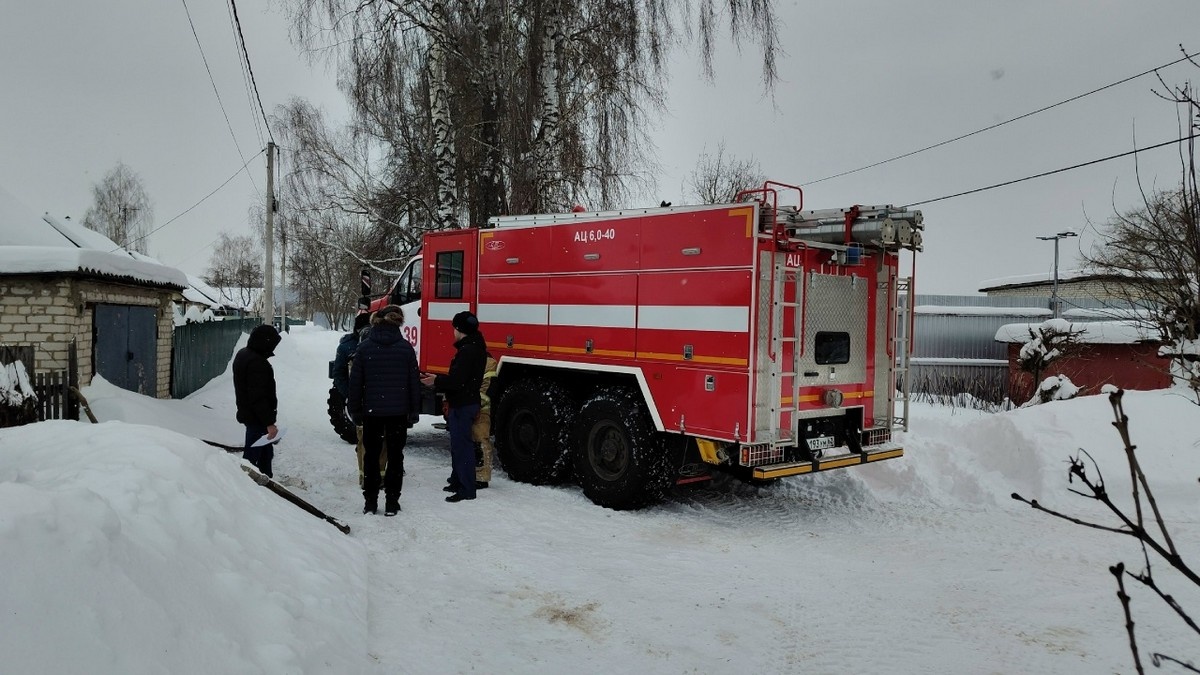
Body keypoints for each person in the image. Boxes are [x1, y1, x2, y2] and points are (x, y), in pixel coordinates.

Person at [347, 305, 420, 516]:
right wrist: (413, 411)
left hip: (372, 412)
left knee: (371, 456)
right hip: (398, 413)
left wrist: (355, 409)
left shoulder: (365, 348)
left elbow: (356, 383)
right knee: (396, 457)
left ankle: (370, 502)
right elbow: (413, 382)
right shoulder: (406, 349)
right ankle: (392, 503)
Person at [421, 310, 486, 503]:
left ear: (459, 329)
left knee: (462, 446)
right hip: (467, 402)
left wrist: (435, 380)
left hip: (462, 404)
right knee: (459, 446)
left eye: (454, 328)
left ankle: (466, 488)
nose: (453, 332)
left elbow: (457, 381)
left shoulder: (467, 351)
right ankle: (457, 481)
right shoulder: (476, 347)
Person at [333, 312, 386, 488]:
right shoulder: (349, 346)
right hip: (366, 401)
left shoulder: (368, 344)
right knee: (369, 439)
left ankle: (374, 475)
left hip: (371, 400)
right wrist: (350, 394)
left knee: (370, 439)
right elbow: (339, 373)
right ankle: (369, 476)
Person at [233, 324, 283, 478]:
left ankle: (267, 482)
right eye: (272, 345)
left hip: (251, 415)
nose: (273, 349)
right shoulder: (257, 363)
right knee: (251, 461)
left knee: (265, 456)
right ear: (265, 342)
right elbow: (258, 397)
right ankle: (247, 488)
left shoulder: (243, 354)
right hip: (257, 420)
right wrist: (269, 423)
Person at [472, 352, 499, 488]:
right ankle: (476, 474)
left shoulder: (488, 362)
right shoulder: (474, 357)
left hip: (481, 409)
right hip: (473, 406)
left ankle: (482, 477)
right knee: (476, 442)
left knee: (481, 441)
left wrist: (476, 405)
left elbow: (487, 387)